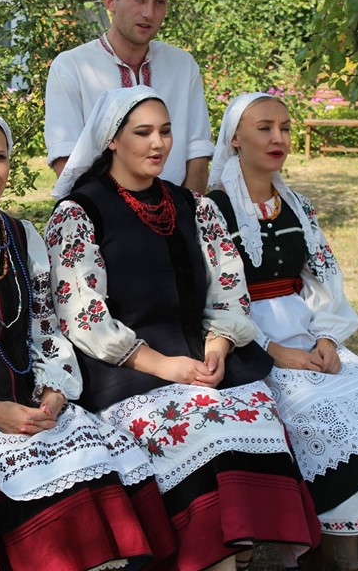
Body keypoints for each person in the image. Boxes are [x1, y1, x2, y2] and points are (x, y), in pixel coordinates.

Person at [0, 109, 176, 570]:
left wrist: (55, 391)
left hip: (31, 405)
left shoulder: (21, 234)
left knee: (96, 464)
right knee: (32, 499)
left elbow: (46, 328)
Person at [46, 86, 320, 571]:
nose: (158, 144)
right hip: (127, 370)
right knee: (200, 436)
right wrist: (165, 366)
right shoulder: (80, 213)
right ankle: (211, 557)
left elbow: (229, 288)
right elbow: (83, 316)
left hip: (201, 358)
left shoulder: (194, 206)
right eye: (143, 133)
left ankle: (237, 554)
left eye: (166, 131)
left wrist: (218, 345)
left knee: (254, 419)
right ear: (112, 139)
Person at [207, 93, 358, 571]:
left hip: (305, 332)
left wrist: (326, 337)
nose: (278, 138)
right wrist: (271, 350)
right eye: (264, 128)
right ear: (235, 139)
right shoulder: (212, 211)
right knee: (319, 419)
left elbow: (324, 278)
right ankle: (329, 547)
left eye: (285, 127)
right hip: (246, 341)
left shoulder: (297, 205)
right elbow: (214, 298)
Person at [45, 0, 212, 194]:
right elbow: (67, 161)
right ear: (110, 1)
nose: (149, 13)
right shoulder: (72, 67)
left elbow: (198, 153)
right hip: (98, 212)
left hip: (176, 210)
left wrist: (185, 209)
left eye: (160, 2)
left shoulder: (183, 66)